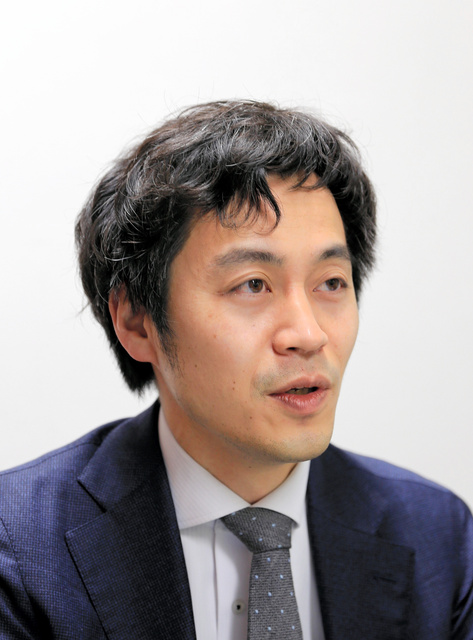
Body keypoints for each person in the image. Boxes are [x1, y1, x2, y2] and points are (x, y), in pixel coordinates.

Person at [0, 101, 471, 640]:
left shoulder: (438, 537)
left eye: (331, 283)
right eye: (252, 285)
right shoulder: (19, 548)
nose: (309, 334)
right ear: (136, 320)